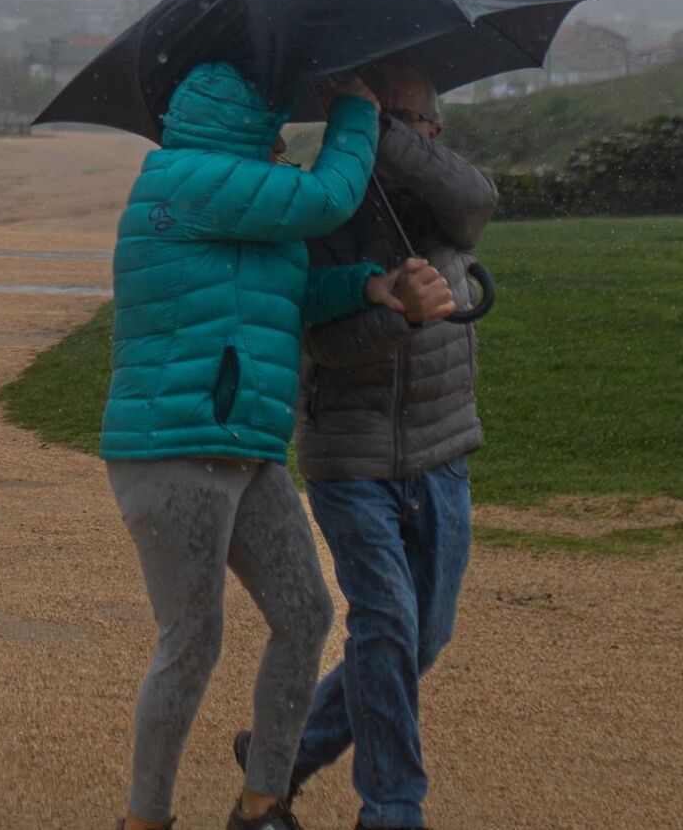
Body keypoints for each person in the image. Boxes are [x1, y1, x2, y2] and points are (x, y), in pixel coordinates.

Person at [102, 60, 453, 830]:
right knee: (193, 638)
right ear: (237, 127)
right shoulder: (183, 180)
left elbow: (287, 288)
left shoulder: (237, 198)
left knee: (304, 612)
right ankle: (144, 819)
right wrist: (356, 111)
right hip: (172, 447)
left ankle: (261, 804)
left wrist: (368, 286)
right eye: (272, 127)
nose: (283, 140)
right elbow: (327, 198)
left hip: (244, 447)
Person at [234, 60, 497, 830]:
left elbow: (478, 202)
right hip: (348, 455)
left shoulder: (444, 201)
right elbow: (324, 342)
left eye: (399, 120)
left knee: (424, 635)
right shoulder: (321, 203)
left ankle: (279, 755)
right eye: (364, 119)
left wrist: (381, 130)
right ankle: (392, 807)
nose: (375, 135)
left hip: (440, 446)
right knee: (385, 622)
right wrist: (399, 314)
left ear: (429, 131)